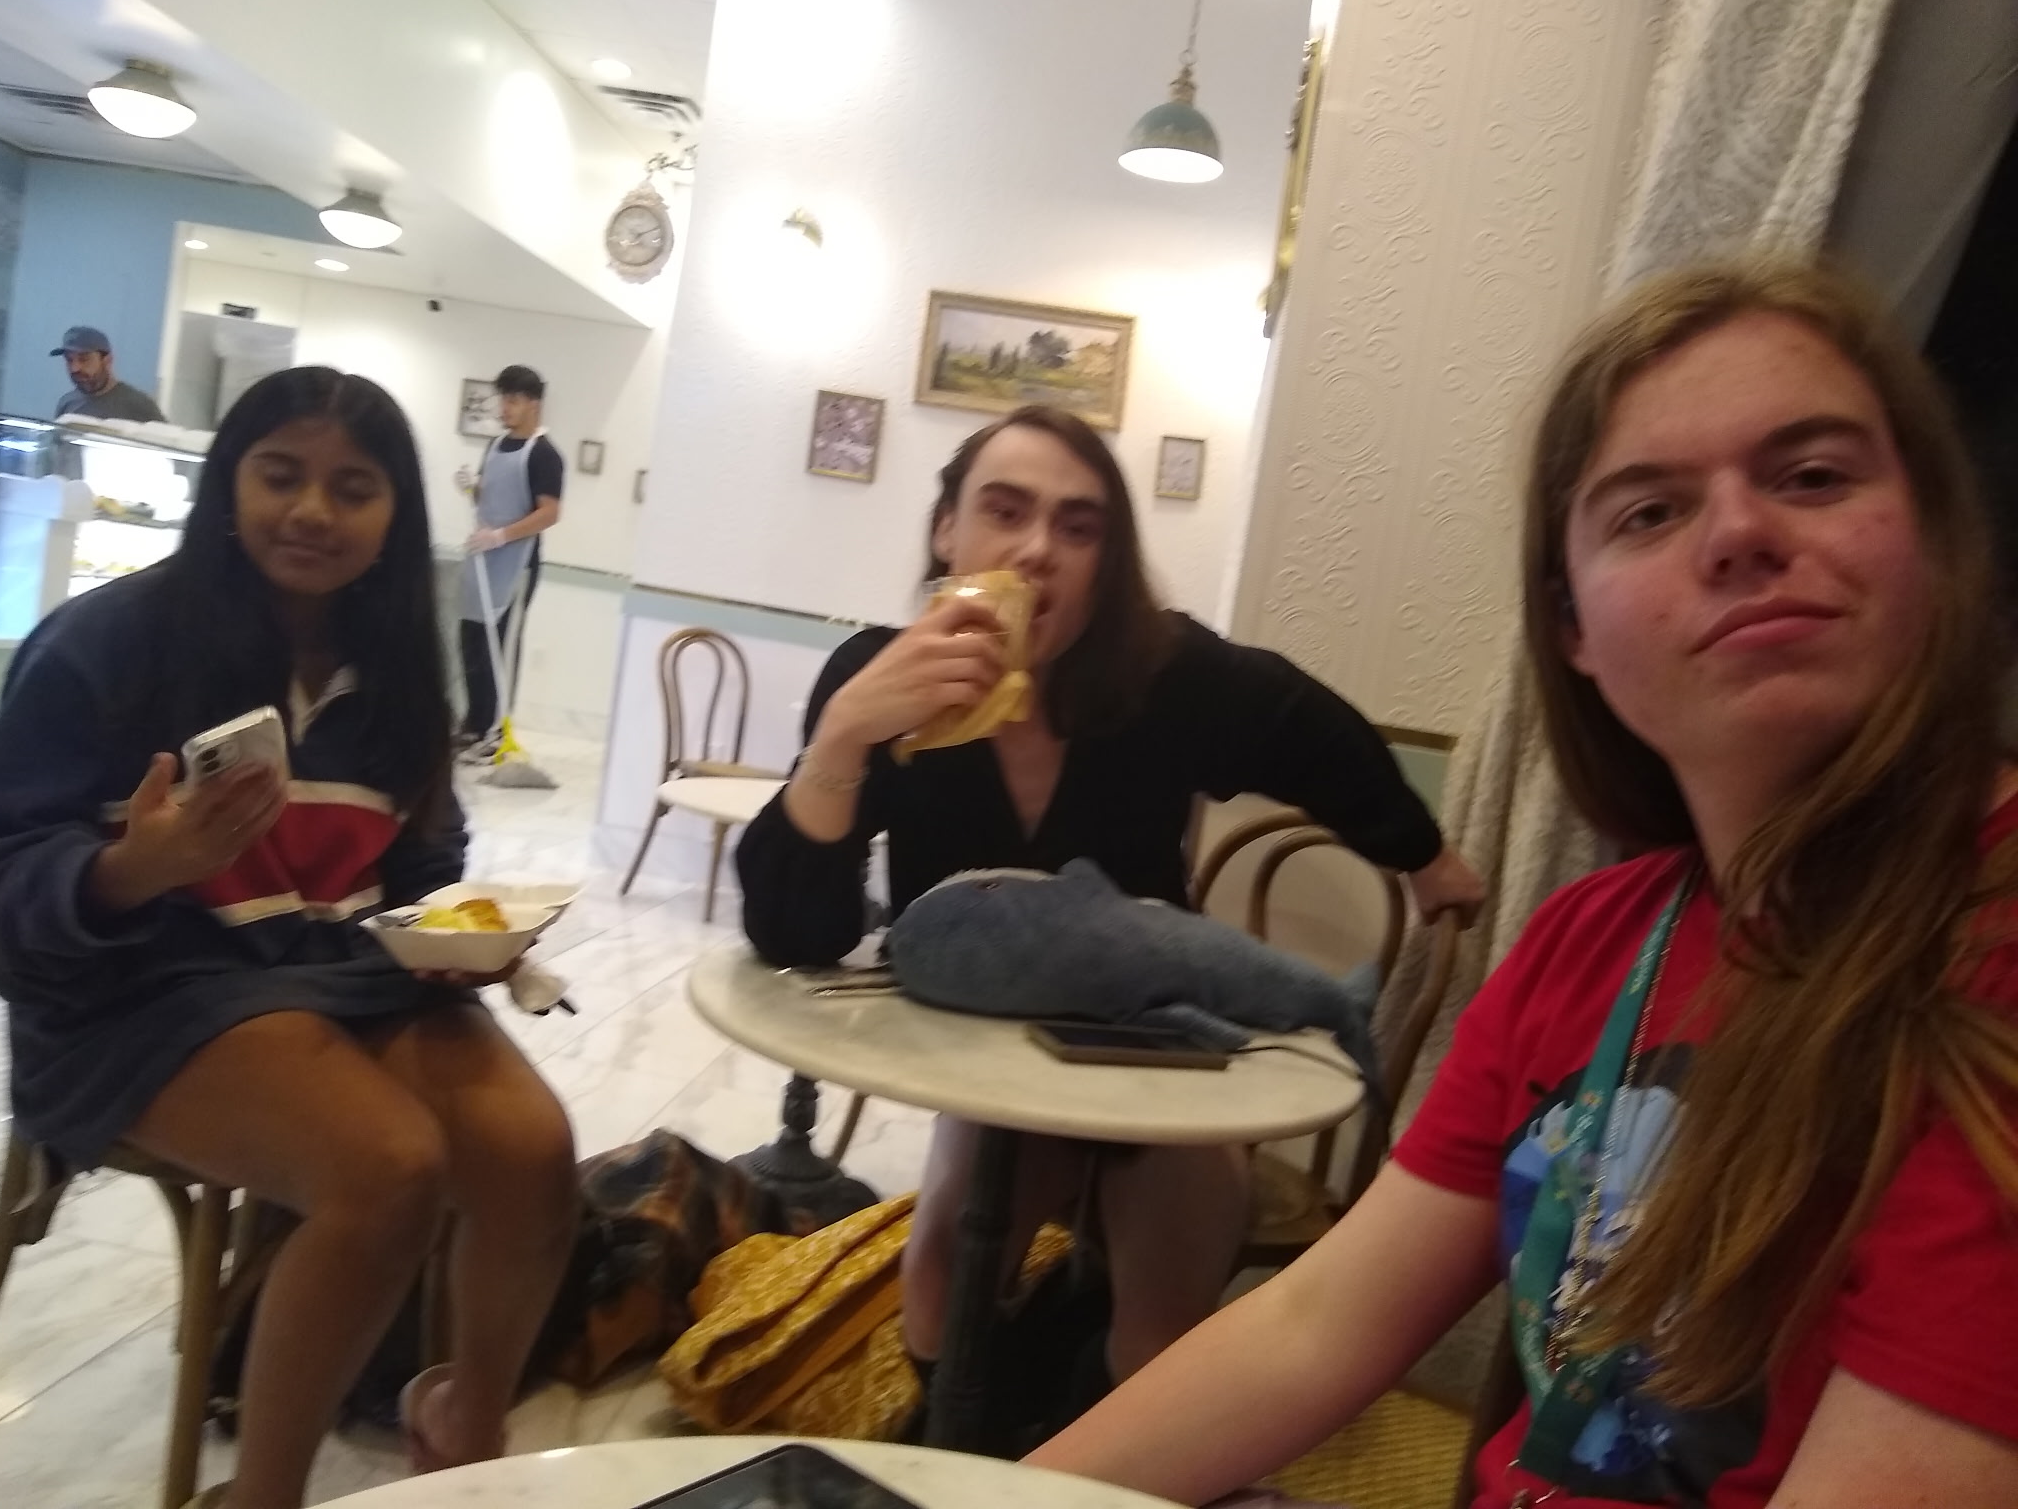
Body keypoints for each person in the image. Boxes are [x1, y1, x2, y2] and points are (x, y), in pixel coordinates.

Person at [1028, 259, 2018, 1508]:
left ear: (1932, 538)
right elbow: (1314, 1324)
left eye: (1811, 476)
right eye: (1646, 512)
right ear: (1571, 633)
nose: (1738, 532)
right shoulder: (1593, 940)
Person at [737, 404, 1486, 1420]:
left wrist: (1421, 856)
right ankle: (971, 1434)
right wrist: (842, 736)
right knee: (944, 1272)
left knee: (1165, 1313)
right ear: (947, 530)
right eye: (1005, 512)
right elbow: (798, 936)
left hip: (1153, 1037)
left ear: (1107, 562)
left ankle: (1106, 1430)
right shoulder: (882, 678)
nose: (1038, 549)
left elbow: (1306, 728)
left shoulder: (1164, 676)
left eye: (1078, 526)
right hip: (985, 1044)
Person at [0, 368, 577, 1509]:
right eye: (280, 475)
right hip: (134, 996)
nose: (311, 511)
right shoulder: (113, 643)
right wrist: (132, 870)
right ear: (228, 485)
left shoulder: (394, 668)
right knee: (386, 1169)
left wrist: (451, 932)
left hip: (336, 980)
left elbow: (419, 858)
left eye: (353, 489)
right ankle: (263, 1496)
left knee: (534, 1154)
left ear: (393, 515)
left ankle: (463, 1426)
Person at [454, 364, 563, 756]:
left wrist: (501, 535)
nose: (505, 407)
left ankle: (497, 732)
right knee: (471, 640)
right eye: (503, 398)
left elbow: (549, 513)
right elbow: (490, 497)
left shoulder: (544, 455)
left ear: (534, 403)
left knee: (501, 646)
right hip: (482, 559)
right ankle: (474, 724)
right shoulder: (496, 446)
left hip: (517, 565)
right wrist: (472, 489)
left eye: (513, 400)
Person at [50, 324, 167, 423]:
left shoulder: (139, 405)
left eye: (84, 359)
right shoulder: (66, 403)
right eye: (69, 360)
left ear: (107, 360)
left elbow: (165, 442)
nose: (74, 368)